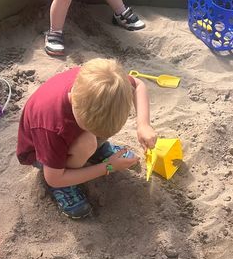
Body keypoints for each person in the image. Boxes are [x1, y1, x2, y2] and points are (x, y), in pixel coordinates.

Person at [17, 58, 157, 218]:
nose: (99, 135)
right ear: (74, 105)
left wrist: (143, 125)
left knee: (91, 138)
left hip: (70, 133)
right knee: (86, 143)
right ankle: (67, 184)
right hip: (42, 153)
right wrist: (108, 167)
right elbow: (54, 178)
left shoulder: (102, 83)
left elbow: (138, 85)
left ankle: (96, 151)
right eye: (90, 128)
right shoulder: (51, 125)